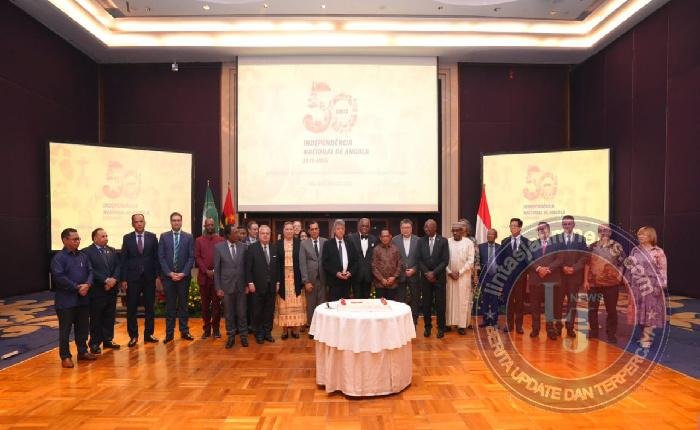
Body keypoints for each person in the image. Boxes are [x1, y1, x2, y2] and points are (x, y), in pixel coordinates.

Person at [50, 228, 96, 368]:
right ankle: (65, 356)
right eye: (74, 239)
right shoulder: (59, 258)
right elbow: (59, 277)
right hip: (66, 301)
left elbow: (90, 271)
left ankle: (82, 352)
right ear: (65, 240)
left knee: (83, 328)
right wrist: (77, 287)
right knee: (65, 330)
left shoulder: (83, 256)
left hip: (83, 299)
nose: (78, 241)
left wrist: (87, 284)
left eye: (78, 239)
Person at [120, 213, 160, 347]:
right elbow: (123, 260)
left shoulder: (152, 237)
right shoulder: (127, 238)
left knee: (150, 307)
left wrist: (157, 276)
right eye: (136, 222)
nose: (139, 224)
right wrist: (123, 279)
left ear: (145, 222)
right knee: (131, 308)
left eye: (141, 221)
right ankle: (133, 336)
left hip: (149, 278)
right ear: (132, 224)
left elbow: (156, 258)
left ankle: (149, 334)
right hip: (132, 278)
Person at [584, 224, 625, 343]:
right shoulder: (592, 246)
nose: (604, 232)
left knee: (611, 310)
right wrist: (585, 280)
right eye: (601, 231)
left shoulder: (616, 246)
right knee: (592, 309)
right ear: (598, 233)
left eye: (606, 230)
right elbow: (587, 264)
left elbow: (622, 262)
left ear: (610, 233)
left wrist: (620, 276)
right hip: (593, 283)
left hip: (611, 283)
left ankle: (611, 333)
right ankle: (593, 331)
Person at [158, 212, 195, 343]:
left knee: (184, 306)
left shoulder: (189, 237)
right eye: (174, 220)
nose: (176, 222)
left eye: (178, 220)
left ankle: (184, 331)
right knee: (170, 307)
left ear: (181, 222)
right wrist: (169, 273)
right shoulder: (164, 237)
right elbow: (161, 257)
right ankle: (169, 334)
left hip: (183, 278)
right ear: (171, 222)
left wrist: (183, 273)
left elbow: (191, 257)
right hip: (168, 278)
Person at [628, 226, 667, 349]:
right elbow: (629, 266)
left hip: (652, 286)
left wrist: (660, 286)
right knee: (640, 312)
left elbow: (663, 270)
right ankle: (643, 334)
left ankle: (646, 338)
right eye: (639, 234)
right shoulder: (635, 250)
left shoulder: (658, 252)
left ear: (651, 236)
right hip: (637, 286)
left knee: (650, 312)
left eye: (643, 234)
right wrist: (628, 281)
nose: (640, 236)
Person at [84, 228, 121, 354]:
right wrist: (105, 280)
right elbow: (90, 270)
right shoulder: (87, 252)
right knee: (96, 318)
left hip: (111, 290)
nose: (106, 238)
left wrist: (113, 280)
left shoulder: (112, 250)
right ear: (95, 238)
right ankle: (94, 343)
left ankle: (108, 340)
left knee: (109, 316)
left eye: (106, 236)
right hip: (97, 290)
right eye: (103, 236)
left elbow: (118, 266)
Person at [552, 215, 588, 338]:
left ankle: (570, 327)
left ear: (574, 225)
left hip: (574, 276)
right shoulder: (555, 239)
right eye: (565, 224)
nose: (567, 226)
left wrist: (574, 268)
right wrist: (563, 267)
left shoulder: (581, 239)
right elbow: (553, 256)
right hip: (559, 276)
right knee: (558, 303)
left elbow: (584, 256)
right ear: (562, 225)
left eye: (569, 224)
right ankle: (558, 326)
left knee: (572, 304)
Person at [214, 224, 249, 348]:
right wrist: (218, 288)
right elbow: (217, 270)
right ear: (228, 235)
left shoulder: (244, 247)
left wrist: (247, 284)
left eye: (238, 232)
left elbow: (247, 268)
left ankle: (244, 336)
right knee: (229, 314)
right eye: (235, 232)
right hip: (226, 287)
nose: (238, 234)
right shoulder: (219, 248)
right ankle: (231, 336)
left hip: (241, 286)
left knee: (242, 313)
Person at [528, 222, 562, 340]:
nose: (542, 231)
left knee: (550, 307)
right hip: (535, 280)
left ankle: (550, 330)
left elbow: (560, 259)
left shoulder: (557, 244)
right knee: (535, 307)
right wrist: (538, 268)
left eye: (544, 229)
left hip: (551, 280)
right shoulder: (532, 244)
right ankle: (535, 329)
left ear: (549, 230)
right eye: (540, 229)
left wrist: (548, 269)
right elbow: (528, 259)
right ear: (537, 231)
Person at [245, 225, 279, 344]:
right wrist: (250, 283)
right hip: (257, 286)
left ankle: (267, 333)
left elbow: (277, 267)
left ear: (270, 235)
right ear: (259, 235)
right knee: (257, 311)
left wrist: (278, 282)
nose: (265, 235)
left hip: (271, 286)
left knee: (269, 311)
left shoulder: (274, 248)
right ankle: (259, 333)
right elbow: (248, 268)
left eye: (267, 233)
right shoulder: (252, 248)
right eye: (263, 233)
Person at [417, 219, 450, 338]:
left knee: (440, 304)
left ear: (435, 228)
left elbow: (445, 260)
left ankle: (441, 328)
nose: (425, 229)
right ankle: (427, 328)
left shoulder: (443, 241)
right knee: (426, 304)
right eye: (425, 227)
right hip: (425, 278)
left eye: (428, 227)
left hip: (439, 278)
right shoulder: (421, 241)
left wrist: (434, 273)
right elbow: (419, 259)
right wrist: (427, 273)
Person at [497, 218, 530, 334]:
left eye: (515, 226)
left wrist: (526, 274)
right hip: (507, 278)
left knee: (520, 301)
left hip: (521, 277)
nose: (512, 228)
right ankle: (509, 324)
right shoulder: (505, 241)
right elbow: (500, 260)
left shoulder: (526, 242)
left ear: (520, 228)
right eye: (511, 226)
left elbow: (528, 260)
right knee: (508, 301)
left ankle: (519, 326)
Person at [276, 222, 307, 339]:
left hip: (296, 279)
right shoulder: (278, 244)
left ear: (294, 231)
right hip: (283, 279)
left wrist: (304, 279)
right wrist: (277, 281)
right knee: (284, 305)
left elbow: (303, 262)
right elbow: (276, 263)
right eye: (287, 229)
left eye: (291, 229)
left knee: (296, 305)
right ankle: (284, 331)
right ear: (283, 231)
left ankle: (295, 330)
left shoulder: (300, 243)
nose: (289, 231)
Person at [195, 218, 225, 339]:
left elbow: (223, 257)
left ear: (215, 226)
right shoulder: (199, 240)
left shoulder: (221, 240)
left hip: (217, 279)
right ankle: (206, 329)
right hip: (204, 278)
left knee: (217, 306)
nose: (210, 227)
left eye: (212, 225)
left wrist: (214, 271)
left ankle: (216, 329)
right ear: (204, 226)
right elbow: (197, 257)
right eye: (208, 225)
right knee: (205, 306)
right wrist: (205, 270)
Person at [446, 222, 475, 335]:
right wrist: (449, 272)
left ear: (462, 231)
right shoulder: (447, 242)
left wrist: (460, 272)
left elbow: (471, 261)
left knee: (462, 301)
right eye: (453, 230)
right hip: (450, 276)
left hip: (463, 276)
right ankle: (449, 323)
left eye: (457, 230)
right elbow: (443, 259)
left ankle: (462, 325)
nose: (455, 233)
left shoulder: (469, 243)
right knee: (450, 300)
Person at [299, 221, 327, 336]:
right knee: (311, 305)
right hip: (310, 280)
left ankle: (322, 329)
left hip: (323, 279)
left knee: (322, 305)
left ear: (319, 230)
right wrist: (306, 281)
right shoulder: (304, 244)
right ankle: (312, 329)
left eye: (316, 229)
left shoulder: (325, 242)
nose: (314, 231)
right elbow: (302, 264)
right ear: (309, 231)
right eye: (312, 229)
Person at [322, 219, 359, 301]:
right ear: (334, 230)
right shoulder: (328, 244)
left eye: (342, 228)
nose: (340, 230)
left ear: (344, 230)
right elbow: (325, 263)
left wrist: (350, 272)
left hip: (347, 281)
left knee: (346, 305)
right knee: (334, 306)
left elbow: (356, 261)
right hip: (334, 282)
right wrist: (336, 273)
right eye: (338, 229)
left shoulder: (350, 243)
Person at [392, 219, 420, 323]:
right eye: (403, 228)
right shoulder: (394, 240)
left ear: (411, 228)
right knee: (400, 300)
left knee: (415, 299)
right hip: (400, 275)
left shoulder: (418, 240)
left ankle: (414, 322)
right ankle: (401, 322)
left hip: (414, 275)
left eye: (408, 227)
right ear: (400, 228)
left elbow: (421, 258)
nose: (406, 230)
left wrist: (414, 269)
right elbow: (393, 259)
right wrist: (400, 271)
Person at [348, 218, 377, 299]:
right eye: (363, 225)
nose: (365, 227)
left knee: (366, 300)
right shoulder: (351, 238)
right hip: (356, 275)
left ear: (369, 227)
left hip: (368, 275)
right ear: (359, 226)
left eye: (367, 226)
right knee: (357, 300)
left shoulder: (374, 239)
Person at [372, 228, 404, 301]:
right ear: (380, 238)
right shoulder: (376, 249)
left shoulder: (396, 249)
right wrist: (381, 279)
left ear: (390, 237)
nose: (385, 238)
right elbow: (374, 266)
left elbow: (399, 264)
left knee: (391, 304)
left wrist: (394, 277)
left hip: (393, 283)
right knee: (380, 305)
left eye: (387, 236)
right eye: (383, 236)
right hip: (379, 284)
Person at [478, 229, 501, 327]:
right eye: (488, 234)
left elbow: (502, 262)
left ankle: (494, 321)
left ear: (495, 236)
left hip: (495, 277)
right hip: (485, 277)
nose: (489, 236)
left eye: (491, 234)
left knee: (495, 300)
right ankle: (485, 320)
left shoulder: (500, 247)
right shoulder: (481, 247)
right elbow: (478, 262)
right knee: (485, 299)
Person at [459, 218, 481, 292]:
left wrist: (475, 274)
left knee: (469, 292)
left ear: (467, 228)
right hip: (458, 271)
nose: (461, 227)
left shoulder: (472, 240)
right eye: (460, 225)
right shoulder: (455, 239)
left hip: (470, 271)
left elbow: (476, 258)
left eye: (463, 225)